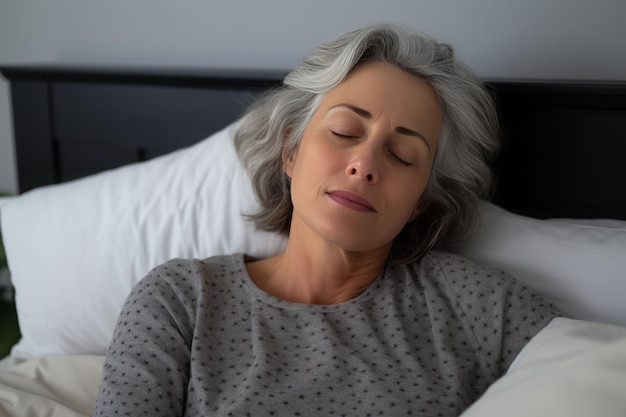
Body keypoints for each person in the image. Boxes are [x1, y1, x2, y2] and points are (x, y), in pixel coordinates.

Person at [93, 23, 559, 416]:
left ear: (422, 201)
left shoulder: (473, 305)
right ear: (291, 150)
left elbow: (595, 370)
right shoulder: (182, 301)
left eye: (401, 154)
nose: (365, 164)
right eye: (343, 131)